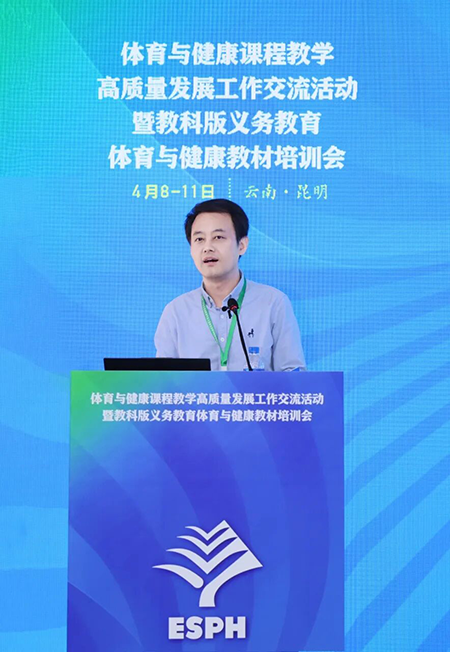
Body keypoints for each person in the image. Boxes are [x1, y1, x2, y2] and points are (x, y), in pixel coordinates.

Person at [154, 198, 306, 371]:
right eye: (199, 239)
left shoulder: (273, 303)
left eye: (218, 237)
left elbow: (294, 375)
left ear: (242, 245)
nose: (207, 248)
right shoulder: (175, 312)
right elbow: (162, 381)